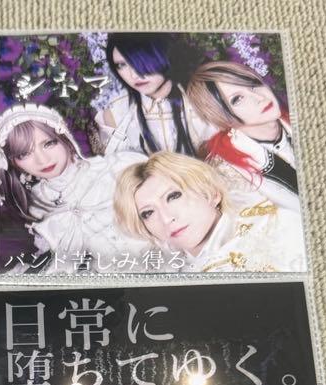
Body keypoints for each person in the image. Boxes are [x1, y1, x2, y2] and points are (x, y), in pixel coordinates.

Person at [0, 103, 148, 273]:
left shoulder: (117, 167)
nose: (42, 160)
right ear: (13, 162)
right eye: (24, 154)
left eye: (48, 143)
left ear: (64, 138)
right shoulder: (36, 205)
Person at [114, 150, 306, 272]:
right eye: (148, 213)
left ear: (211, 194)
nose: (166, 218)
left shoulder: (278, 228)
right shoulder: (161, 268)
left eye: (173, 196)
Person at [186, 60, 299, 213]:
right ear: (220, 116)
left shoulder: (299, 116)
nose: (259, 97)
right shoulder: (229, 174)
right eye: (237, 99)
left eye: (253, 84)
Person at [96, 32, 207, 157]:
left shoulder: (204, 97)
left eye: (140, 60)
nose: (134, 75)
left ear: (163, 54)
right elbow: (116, 165)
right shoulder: (116, 110)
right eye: (122, 65)